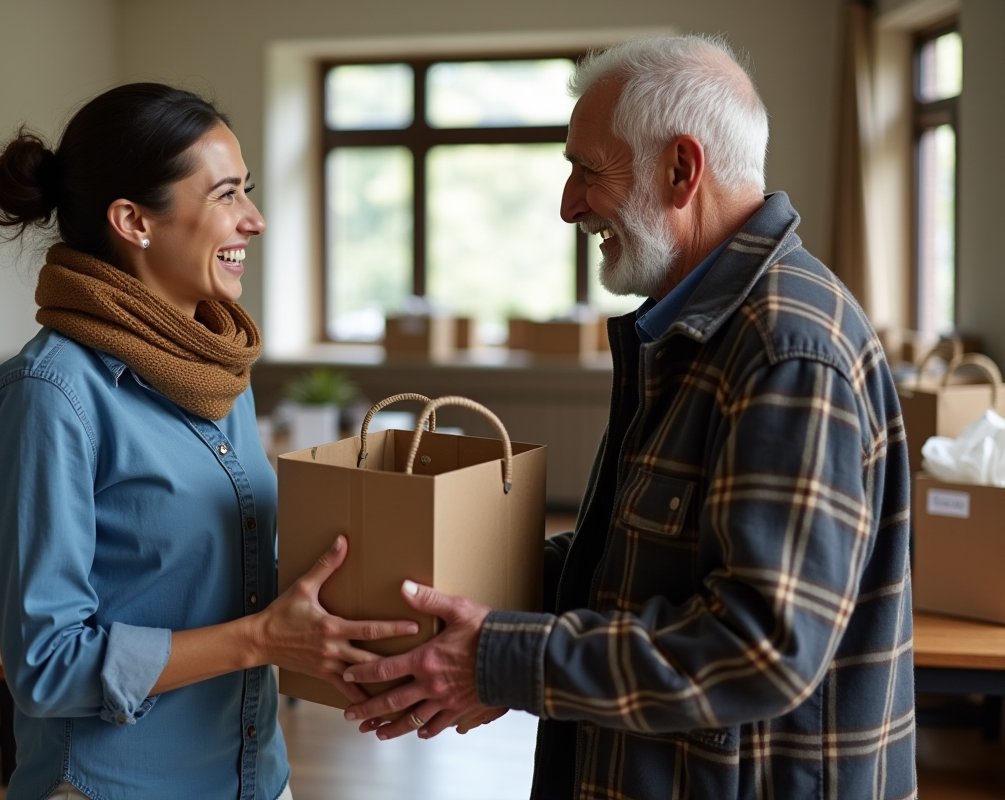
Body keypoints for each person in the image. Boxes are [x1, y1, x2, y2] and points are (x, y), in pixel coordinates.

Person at [341, 35, 917, 799]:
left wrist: (500, 660)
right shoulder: (691, 327)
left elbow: (761, 648)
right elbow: (625, 569)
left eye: (588, 169)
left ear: (683, 169)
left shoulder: (784, 348)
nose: (568, 204)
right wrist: (445, 590)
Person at [0, 83, 417, 800]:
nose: (256, 219)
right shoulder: (50, 396)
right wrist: (264, 639)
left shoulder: (212, 369)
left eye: (249, 192)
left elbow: (235, 575)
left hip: (252, 777)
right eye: (227, 194)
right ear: (134, 221)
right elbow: (46, 665)